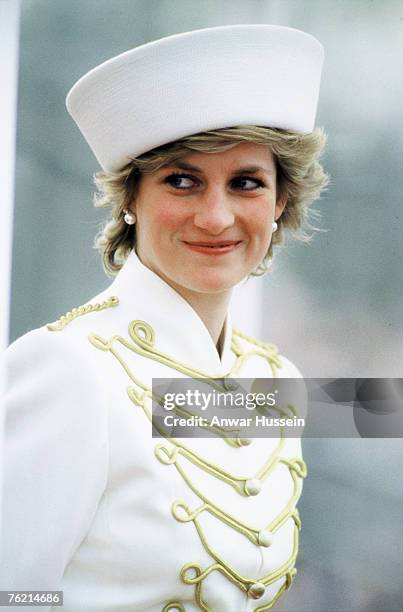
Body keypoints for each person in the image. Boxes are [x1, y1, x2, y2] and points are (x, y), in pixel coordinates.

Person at [1, 24, 328, 612]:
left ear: (280, 203)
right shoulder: (69, 367)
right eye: (182, 180)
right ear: (130, 198)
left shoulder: (273, 381)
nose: (216, 216)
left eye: (246, 183)